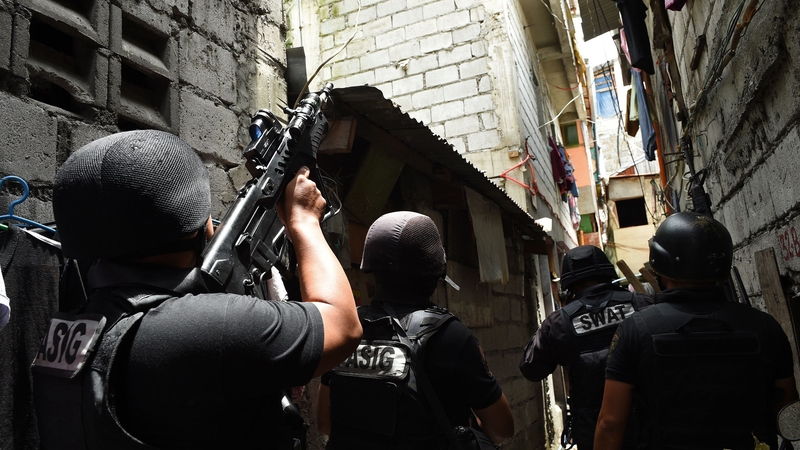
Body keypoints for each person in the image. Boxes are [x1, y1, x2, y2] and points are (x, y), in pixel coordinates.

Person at [31, 130, 362, 449]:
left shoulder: (74, 327)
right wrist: (303, 221)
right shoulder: (206, 327)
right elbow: (343, 324)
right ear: (199, 226)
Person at [594, 212, 799, 449]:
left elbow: (610, 423)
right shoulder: (765, 326)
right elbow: (787, 411)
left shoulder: (635, 330)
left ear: (660, 262)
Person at [317, 211, 514, 449]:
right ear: (435, 273)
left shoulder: (345, 329)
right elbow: (502, 428)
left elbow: (325, 424)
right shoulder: (451, 336)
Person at [519, 245, 652, 449]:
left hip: (595, 436)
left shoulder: (559, 323)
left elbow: (530, 367)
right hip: (650, 428)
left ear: (570, 284)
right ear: (608, 272)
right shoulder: (641, 304)